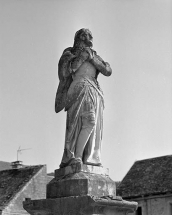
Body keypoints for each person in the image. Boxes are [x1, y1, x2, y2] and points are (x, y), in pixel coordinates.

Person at [55, 28, 112, 168]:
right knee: (77, 123)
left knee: (91, 123)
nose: (89, 38)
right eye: (85, 35)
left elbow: (108, 70)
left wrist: (91, 58)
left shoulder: (93, 54)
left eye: (90, 35)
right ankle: (74, 156)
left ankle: (84, 156)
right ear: (78, 38)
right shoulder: (70, 53)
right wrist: (82, 57)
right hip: (79, 87)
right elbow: (67, 71)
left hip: (94, 89)